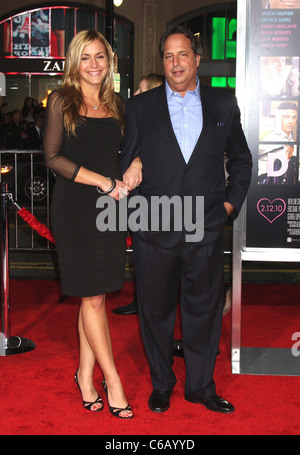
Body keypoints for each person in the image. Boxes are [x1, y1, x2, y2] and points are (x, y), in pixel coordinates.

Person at [121, 26, 252, 414]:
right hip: (154, 229)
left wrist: (228, 208)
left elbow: (241, 160)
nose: (175, 62)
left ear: (197, 59)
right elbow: (126, 165)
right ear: (162, 62)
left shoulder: (223, 105)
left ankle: (200, 386)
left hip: (206, 229)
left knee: (204, 311)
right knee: (154, 312)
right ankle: (162, 383)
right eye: (168, 56)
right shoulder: (141, 107)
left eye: (182, 55)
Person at [43, 30, 141, 419]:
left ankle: (84, 375)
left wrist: (135, 164)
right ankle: (112, 379)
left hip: (111, 209)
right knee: (92, 297)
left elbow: (135, 149)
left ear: (110, 62)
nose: (94, 64)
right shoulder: (61, 101)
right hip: (75, 207)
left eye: (101, 57)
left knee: (95, 295)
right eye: (86, 57)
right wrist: (101, 180)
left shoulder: (118, 104)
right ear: (74, 61)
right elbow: (52, 157)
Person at [113, 72, 165, 316]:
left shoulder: (163, 120)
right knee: (144, 255)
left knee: (154, 256)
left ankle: (149, 305)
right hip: (138, 198)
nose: (135, 94)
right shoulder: (136, 116)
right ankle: (143, 302)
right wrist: (135, 159)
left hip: (156, 198)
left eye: (142, 90)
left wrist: (138, 161)